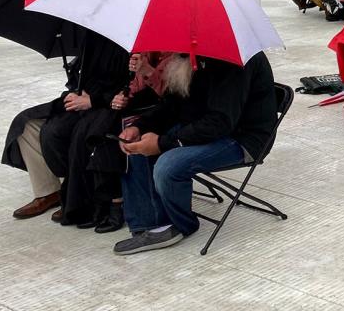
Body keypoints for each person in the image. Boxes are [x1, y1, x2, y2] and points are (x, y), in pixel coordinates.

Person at [115, 51, 278, 254]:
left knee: (168, 165)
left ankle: (181, 224)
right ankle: (148, 224)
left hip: (242, 139)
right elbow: (173, 105)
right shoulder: (195, 55)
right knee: (137, 146)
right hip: (204, 126)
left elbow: (221, 122)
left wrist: (162, 143)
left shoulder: (236, 59)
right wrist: (140, 126)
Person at [3, 32, 131, 222]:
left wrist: (92, 100)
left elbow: (129, 88)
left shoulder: (130, 41)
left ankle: (73, 192)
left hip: (106, 107)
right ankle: (48, 191)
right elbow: (81, 74)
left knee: (58, 132)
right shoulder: (92, 35)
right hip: (81, 100)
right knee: (26, 124)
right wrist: (75, 87)